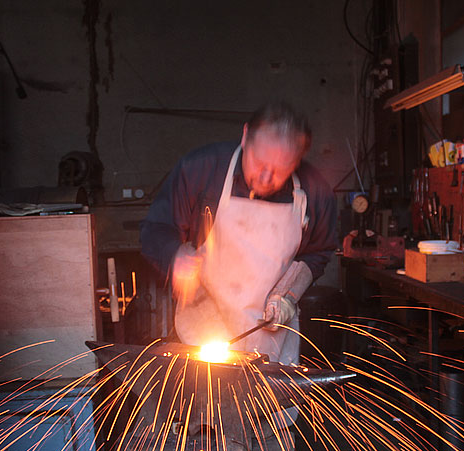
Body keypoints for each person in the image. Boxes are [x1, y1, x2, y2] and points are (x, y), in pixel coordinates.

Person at [140, 102, 336, 367]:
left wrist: (288, 294)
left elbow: (319, 253)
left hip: (272, 341)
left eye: (281, 169)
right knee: (208, 405)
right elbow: (156, 229)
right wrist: (175, 258)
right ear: (245, 137)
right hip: (204, 332)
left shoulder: (316, 191)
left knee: (270, 406)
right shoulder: (201, 170)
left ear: (299, 160)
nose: (266, 178)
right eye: (259, 162)